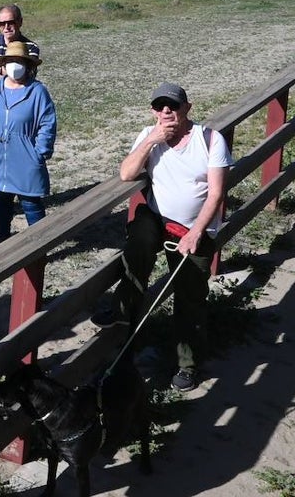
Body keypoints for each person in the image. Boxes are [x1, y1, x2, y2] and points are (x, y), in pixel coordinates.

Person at [95, 82, 231, 392]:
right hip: (157, 218)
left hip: (195, 227)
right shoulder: (149, 135)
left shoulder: (209, 140)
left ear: (187, 108)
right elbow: (127, 174)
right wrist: (151, 141)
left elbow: (217, 192)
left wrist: (196, 232)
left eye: (172, 105)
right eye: (159, 106)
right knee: (137, 242)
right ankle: (123, 306)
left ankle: (188, 364)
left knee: (190, 298)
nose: (166, 111)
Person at [0, 41, 57, 245]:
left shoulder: (37, 92)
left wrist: (40, 151)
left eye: (19, 61)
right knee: (1, 202)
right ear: (3, 64)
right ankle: (3, 243)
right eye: (10, 60)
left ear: (28, 65)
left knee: (31, 202)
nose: (14, 65)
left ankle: (40, 246)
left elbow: (48, 122)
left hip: (26, 156)